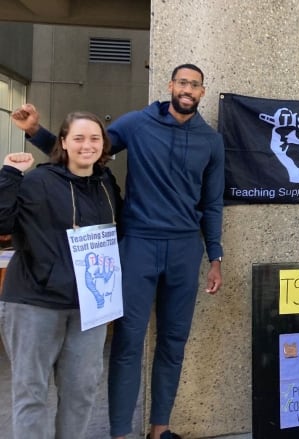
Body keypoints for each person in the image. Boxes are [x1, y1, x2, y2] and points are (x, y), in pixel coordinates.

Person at [11, 63, 225, 439]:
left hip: (184, 250)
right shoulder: (137, 124)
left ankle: (160, 429)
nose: (188, 89)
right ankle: (121, 433)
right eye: (182, 82)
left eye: (195, 85)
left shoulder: (211, 140)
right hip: (137, 245)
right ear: (171, 85)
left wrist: (216, 256)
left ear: (202, 92)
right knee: (128, 342)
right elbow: (86, 152)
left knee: (174, 341)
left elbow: (213, 202)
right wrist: (37, 133)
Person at [0, 112, 122, 439]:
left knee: (81, 393)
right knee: (32, 393)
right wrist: (10, 174)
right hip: (34, 303)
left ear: (103, 145)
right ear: (63, 143)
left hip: (89, 308)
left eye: (94, 138)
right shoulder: (37, 181)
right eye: (79, 138)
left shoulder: (106, 184)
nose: (87, 145)